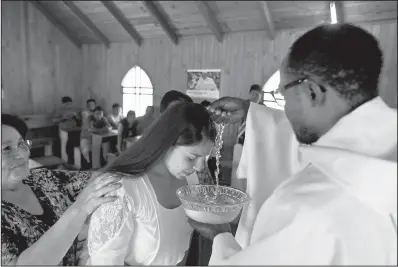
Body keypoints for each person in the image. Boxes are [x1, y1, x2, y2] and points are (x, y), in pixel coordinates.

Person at [191, 23, 397, 265]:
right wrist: (252, 114)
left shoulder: (303, 207)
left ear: (312, 92)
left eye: (283, 94)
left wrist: (221, 237)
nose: (285, 109)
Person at [85, 102, 216, 265]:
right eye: (191, 157)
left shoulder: (191, 179)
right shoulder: (122, 189)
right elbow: (104, 261)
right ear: (166, 143)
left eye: (205, 158)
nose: (200, 167)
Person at [1, 114, 122, 266]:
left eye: (21, 144)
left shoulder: (42, 179)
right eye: (6, 149)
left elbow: (95, 179)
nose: (21, 154)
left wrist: (138, 161)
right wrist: (78, 210)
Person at [80, 99, 97, 163]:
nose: (91, 106)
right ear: (87, 105)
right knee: (85, 150)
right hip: (86, 133)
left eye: (92, 104)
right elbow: (89, 116)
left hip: (95, 134)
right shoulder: (85, 112)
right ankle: (87, 163)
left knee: (95, 149)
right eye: (89, 105)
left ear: (95, 105)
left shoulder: (97, 112)